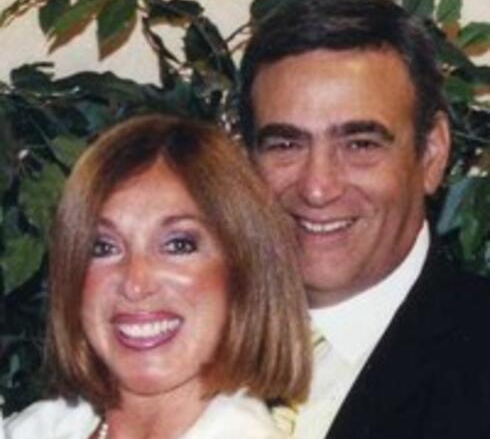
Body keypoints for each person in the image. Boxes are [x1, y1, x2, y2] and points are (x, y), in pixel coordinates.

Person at [240, 0, 490, 439]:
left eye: (360, 145)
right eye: (286, 144)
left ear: (432, 154)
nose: (317, 188)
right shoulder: (178, 342)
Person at [2, 113, 312, 439]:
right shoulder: (38, 428)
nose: (136, 284)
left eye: (178, 245)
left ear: (243, 273)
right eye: (103, 247)